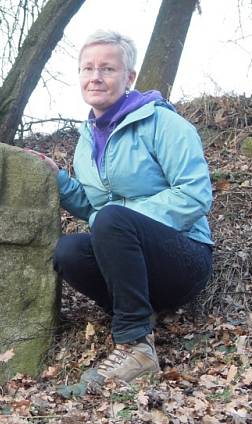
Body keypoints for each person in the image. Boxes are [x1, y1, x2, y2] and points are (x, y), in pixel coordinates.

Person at [36, 30, 213, 390]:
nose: (95, 77)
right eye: (87, 68)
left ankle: (136, 346)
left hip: (183, 258)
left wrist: (119, 216)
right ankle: (138, 311)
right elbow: (95, 209)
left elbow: (194, 196)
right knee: (68, 251)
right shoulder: (87, 139)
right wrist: (57, 180)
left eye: (107, 69)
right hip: (133, 265)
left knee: (114, 220)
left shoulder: (163, 124)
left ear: (129, 77)